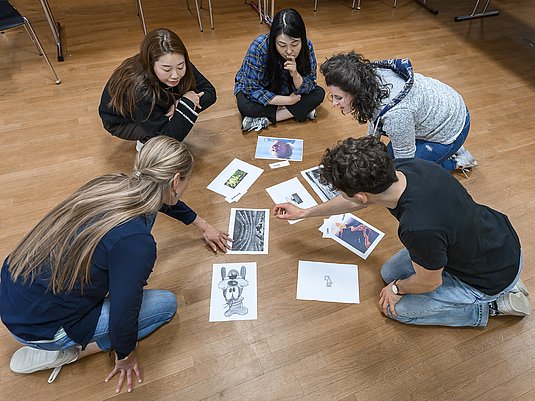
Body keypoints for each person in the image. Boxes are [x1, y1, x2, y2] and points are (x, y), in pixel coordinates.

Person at [0, 137, 231, 393]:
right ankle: (69, 352)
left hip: (15, 295)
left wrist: (204, 226)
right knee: (166, 306)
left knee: (145, 219)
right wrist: (125, 356)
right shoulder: (137, 244)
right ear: (176, 181)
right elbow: (124, 314)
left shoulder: (114, 183)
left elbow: (162, 199)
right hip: (44, 329)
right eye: (186, 180)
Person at [273, 136, 531, 327]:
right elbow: (354, 200)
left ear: (363, 196)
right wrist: (305, 212)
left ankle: (492, 306)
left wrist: (397, 290)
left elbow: (431, 281)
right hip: (498, 238)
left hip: (489, 278)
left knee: (398, 309)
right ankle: (497, 281)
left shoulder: (418, 229)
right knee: (388, 273)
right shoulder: (411, 168)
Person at [320, 51, 478, 172]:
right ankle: (450, 149)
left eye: (338, 98)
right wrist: (367, 149)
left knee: (398, 170)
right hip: (443, 107)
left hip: (452, 126)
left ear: (357, 93)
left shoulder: (396, 116)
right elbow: (376, 119)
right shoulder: (367, 78)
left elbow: (407, 163)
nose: (334, 103)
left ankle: (458, 161)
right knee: (387, 158)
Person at [99, 28, 216, 151]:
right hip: (122, 121)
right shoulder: (140, 89)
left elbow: (210, 92)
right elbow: (170, 138)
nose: (175, 75)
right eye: (166, 69)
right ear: (150, 64)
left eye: (181, 66)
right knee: (163, 140)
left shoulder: (174, 61)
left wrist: (180, 104)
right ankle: (147, 140)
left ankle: (155, 129)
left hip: (155, 102)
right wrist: (186, 103)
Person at [234, 8, 325, 132]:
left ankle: (264, 120)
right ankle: (300, 111)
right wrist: (289, 101)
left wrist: (296, 75)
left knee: (319, 93)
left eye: (294, 44)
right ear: (273, 40)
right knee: (245, 106)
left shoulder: (307, 46)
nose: (288, 51)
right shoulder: (259, 47)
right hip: (269, 92)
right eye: (282, 45)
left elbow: (310, 81)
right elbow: (251, 89)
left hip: (289, 90)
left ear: (302, 38)